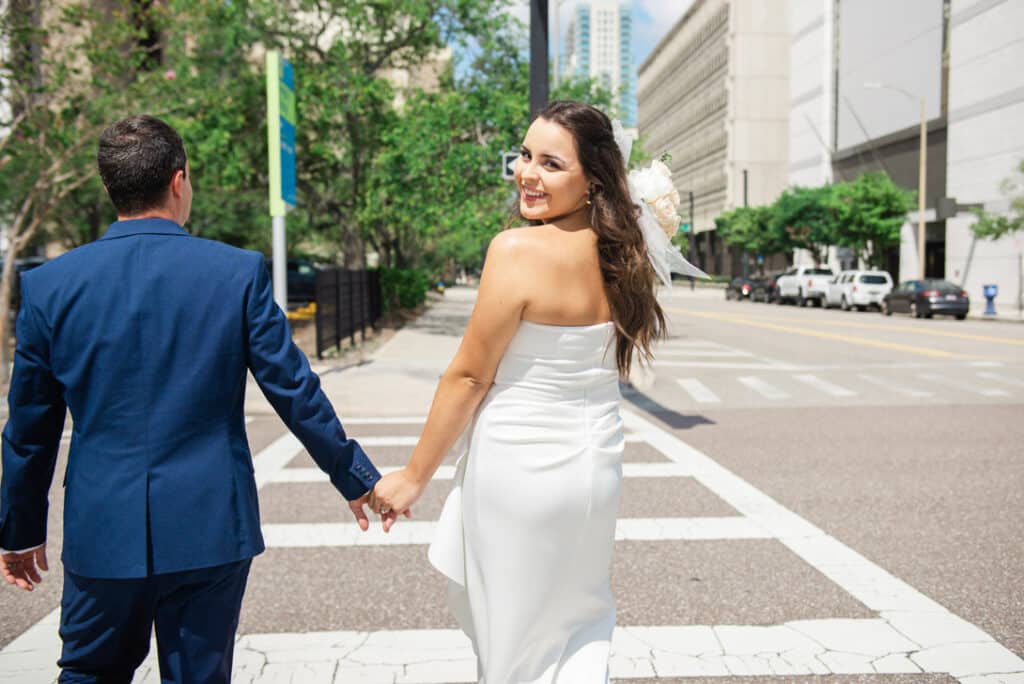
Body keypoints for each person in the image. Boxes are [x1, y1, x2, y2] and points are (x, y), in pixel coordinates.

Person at [0, 114, 381, 683]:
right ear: (179, 181)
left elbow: (30, 427)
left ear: (111, 188)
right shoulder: (237, 273)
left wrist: (19, 528)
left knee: (87, 672)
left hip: (102, 525)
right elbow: (293, 390)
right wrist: (355, 477)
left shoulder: (50, 286)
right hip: (211, 523)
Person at [369, 101, 669, 683]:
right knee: (575, 630)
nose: (527, 174)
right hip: (595, 473)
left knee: (513, 649)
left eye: (552, 164)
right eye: (526, 155)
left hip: (520, 472)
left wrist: (413, 477)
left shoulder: (517, 251)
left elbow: (470, 375)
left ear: (592, 182)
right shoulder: (626, 258)